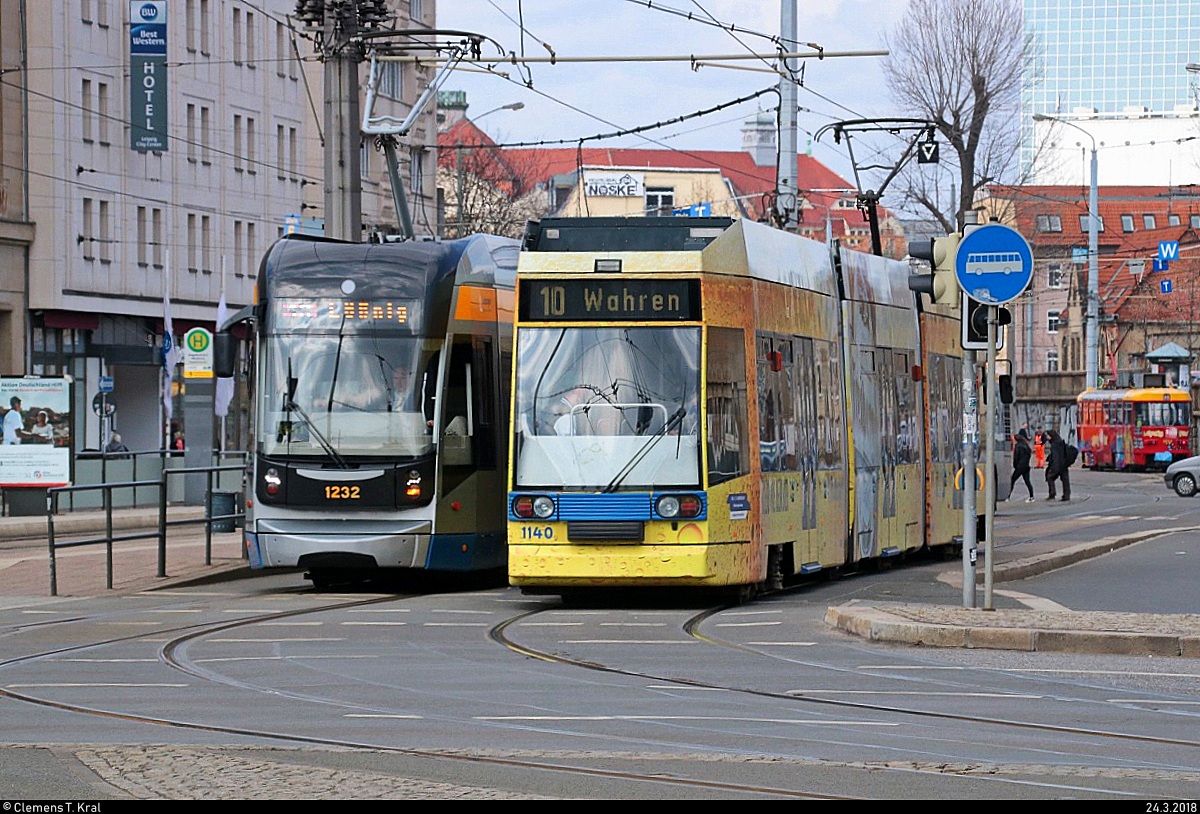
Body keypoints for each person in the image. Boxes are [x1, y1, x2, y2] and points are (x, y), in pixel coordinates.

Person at [1044, 428, 1071, 502]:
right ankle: (1066, 495)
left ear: (1051, 436)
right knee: (1065, 480)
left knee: (1050, 477)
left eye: (1048, 435)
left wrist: (1054, 467)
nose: (1047, 437)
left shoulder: (1054, 444)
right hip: (1064, 464)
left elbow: (1056, 456)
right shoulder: (1061, 442)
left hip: (1057, 465)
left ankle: (1052, 494)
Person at [1010, 432, 1035, 502]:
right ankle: (1032, 496)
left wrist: (1015, 465)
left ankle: (1008, 495)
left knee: (1012, 480)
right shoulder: (1026, 446)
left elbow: (1016, 457)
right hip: (1026, 466)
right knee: (1027, 482)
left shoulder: (1018, 446)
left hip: (1020, 466)